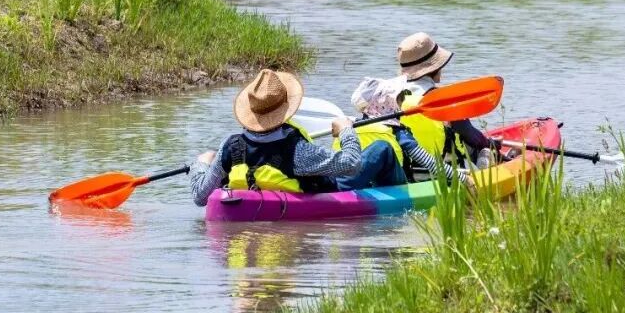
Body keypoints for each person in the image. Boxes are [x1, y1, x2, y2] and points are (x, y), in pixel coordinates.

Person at [190, 68, 404, 206]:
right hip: (327, 194)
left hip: (253, 200)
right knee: (382, 149)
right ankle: (404, 199)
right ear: (285, 110)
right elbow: (352, 164)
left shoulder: (230, 147)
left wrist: (201, 163)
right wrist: (346, 130)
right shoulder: (297, 151)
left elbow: (201, 197)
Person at [395, 31, 498, 167]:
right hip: (447, 171)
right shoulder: (442, 100)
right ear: (435, 67)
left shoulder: (392, 94)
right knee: (486, 151)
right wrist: (490, 144)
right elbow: (470, 135)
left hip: (408, 170)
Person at [350, 77, 471, 186]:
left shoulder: (352, 128)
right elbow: (429, 163)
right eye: (399, 99)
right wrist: (464, 179)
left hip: (363, 186)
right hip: (394, 190)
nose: (402, 103)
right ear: (387, 103)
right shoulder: (397, 132)